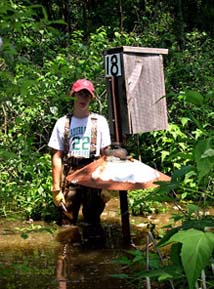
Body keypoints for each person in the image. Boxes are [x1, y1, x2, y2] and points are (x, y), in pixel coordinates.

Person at [48, 79, 111, 243]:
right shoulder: (62, 123)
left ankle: (93, 261)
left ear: (91, 98)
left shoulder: (100, 122)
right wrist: (56, 189)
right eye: (80, 94)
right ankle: (65, 260)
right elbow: (56, 156)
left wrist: (107, 186)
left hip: (94, 178)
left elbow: (106, 155)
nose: (83, 98)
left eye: (87, 95)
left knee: (93, 223)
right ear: (73, 96)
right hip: (71, 178)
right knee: (66, 224)